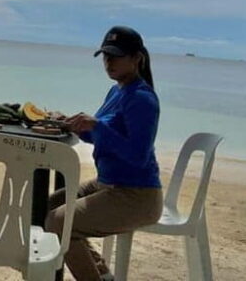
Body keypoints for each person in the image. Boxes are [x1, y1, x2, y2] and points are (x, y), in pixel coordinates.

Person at [45, 25, 163, 281]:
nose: (109, 61)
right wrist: (74, 125)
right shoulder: (116, 91)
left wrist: (98, 127)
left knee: (58, 222)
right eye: (106, 55)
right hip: (107, 184)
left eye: (117, 55)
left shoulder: (143, 99)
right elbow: (102, 136)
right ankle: (102, 275)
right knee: (49, 206)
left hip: (136, 195)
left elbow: (137, 156)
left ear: (136, 58)